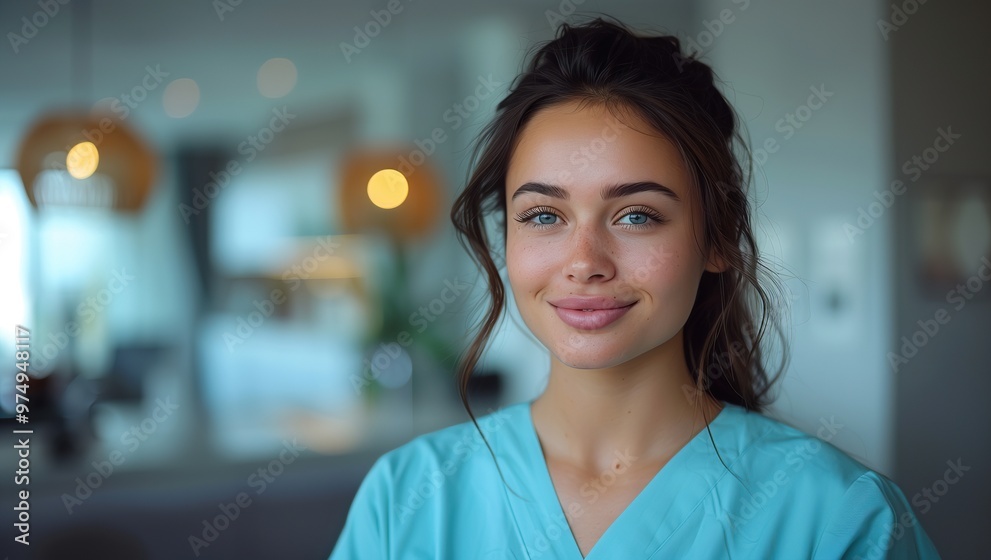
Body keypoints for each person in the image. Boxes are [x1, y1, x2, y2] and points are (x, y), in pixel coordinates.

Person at [329, 16, 941, 559]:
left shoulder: (840, 518)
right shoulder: (408, 497)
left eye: (636, 215)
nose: (585, 262)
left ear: (718, 239)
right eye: (544, 215)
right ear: (506, 239)